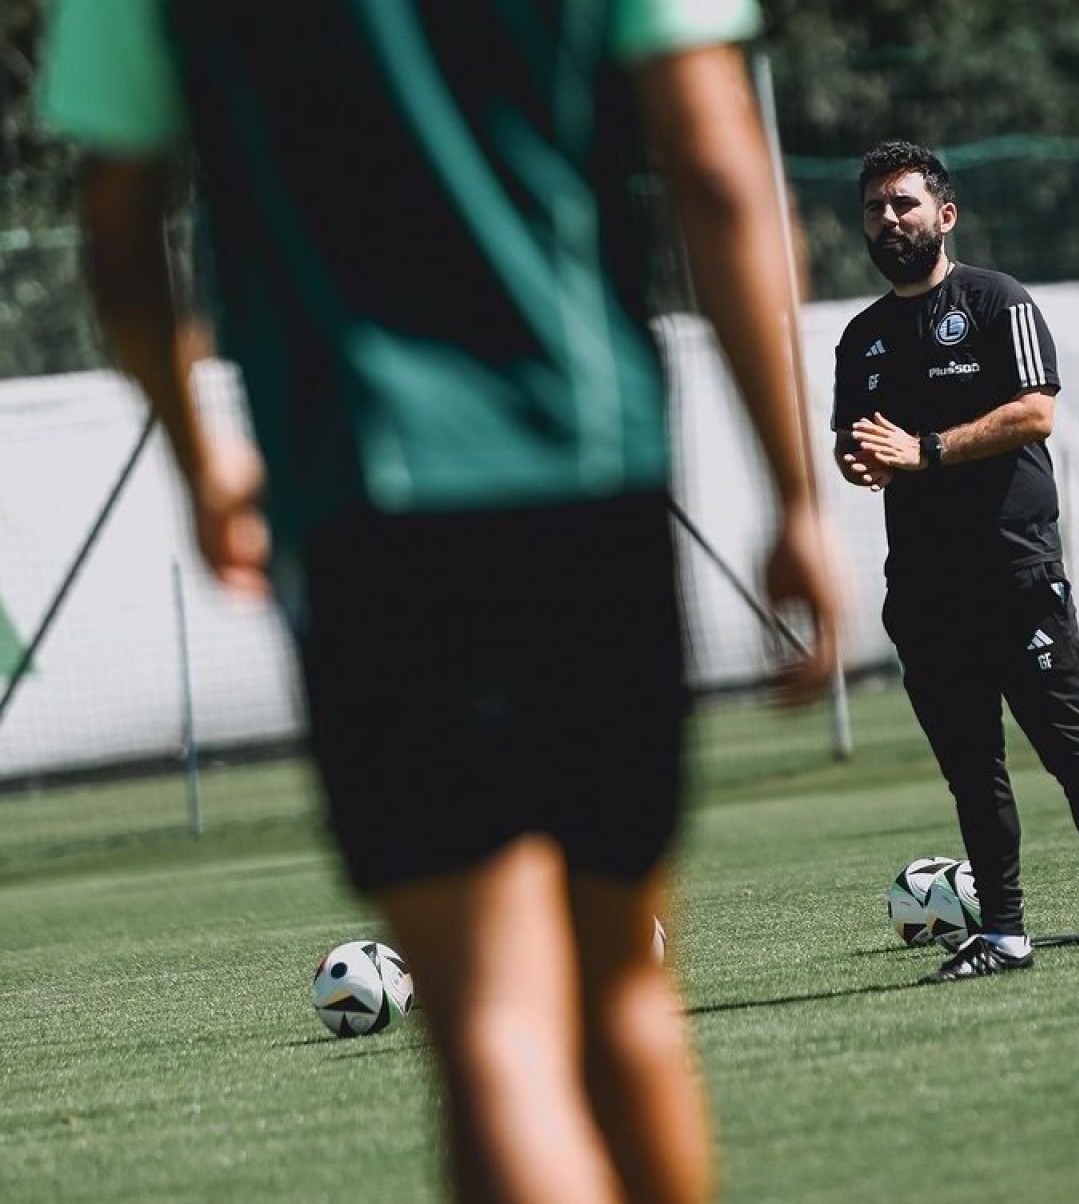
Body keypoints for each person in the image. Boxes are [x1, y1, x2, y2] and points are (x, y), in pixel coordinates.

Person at [44, 4, 840, 1203]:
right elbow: (719, 165)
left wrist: (202, 461)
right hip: (590, 480)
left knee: (492, 1034)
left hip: (368, 504)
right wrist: (795, 493)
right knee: (621, 989)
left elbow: (115, 226)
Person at [835, 140, 1079, 984]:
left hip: (1014, 575)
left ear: (944, 215)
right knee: (973, 772)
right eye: (875, 207)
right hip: (923, 588)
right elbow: (861, 445)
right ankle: (1005, 934)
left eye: (904, 203)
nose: (889, 218)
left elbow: (1034, 414)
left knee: (1072, 749)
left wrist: (927, 450)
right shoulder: (861, 339)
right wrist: (862, 459)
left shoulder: (996, 301)